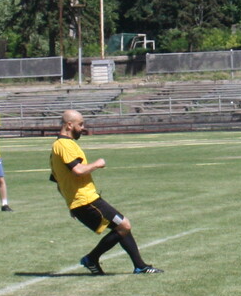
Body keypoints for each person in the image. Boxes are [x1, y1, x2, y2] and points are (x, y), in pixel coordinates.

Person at [50, 108, 160, 275]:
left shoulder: (61, 146)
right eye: (80, 124)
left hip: (82, 200)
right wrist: (97, 164)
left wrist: (70, 204)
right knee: (124, 225)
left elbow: (58, 181)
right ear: (69, 125)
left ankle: (140, 266)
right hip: (86, 200)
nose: (83, 127)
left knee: (122, 226)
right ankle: (91, 258)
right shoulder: (63, 145)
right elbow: (78, 170)